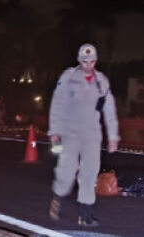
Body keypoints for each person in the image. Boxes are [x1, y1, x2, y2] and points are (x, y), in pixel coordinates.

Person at [48, 43, 119, 227]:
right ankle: (58, 198)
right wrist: (54, 131)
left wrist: (113, 136)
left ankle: (85, 215)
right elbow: (57, 103)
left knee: (90, 172)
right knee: (67, 170)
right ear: (79, 60)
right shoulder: (68, 76)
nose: (89, 64)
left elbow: (109, 109)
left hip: (92, 134)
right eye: (85, 61)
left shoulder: (101, 81)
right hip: (69, 132)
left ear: (96, 61)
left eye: (92, 61)